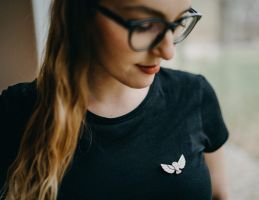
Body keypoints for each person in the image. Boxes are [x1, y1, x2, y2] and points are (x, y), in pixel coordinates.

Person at [0, 0, 229, 199]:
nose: (168, 52)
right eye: (144, 25)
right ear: (82, 15)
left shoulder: (194, 94)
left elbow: (219, 195)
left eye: (178, 22)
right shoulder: (15, 112)